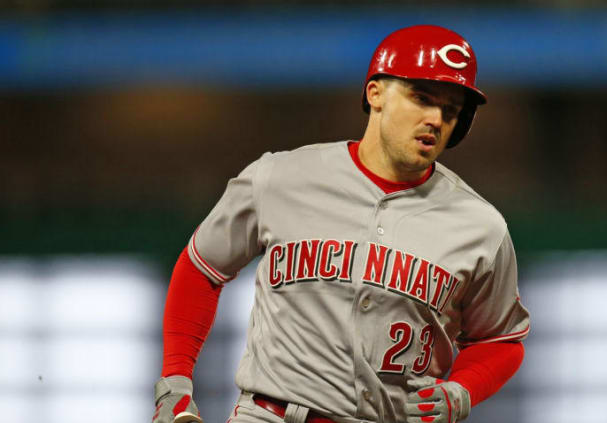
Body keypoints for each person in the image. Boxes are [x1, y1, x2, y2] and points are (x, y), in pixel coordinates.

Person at [152, 24, 530, 423]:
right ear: (376, 93)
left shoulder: (480, 225)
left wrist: (463, 388)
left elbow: (502, 338)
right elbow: (201, 268)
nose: (435, 118)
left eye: (450, 110)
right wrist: (175, 381)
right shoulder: (280, 177)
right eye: (422, 98)